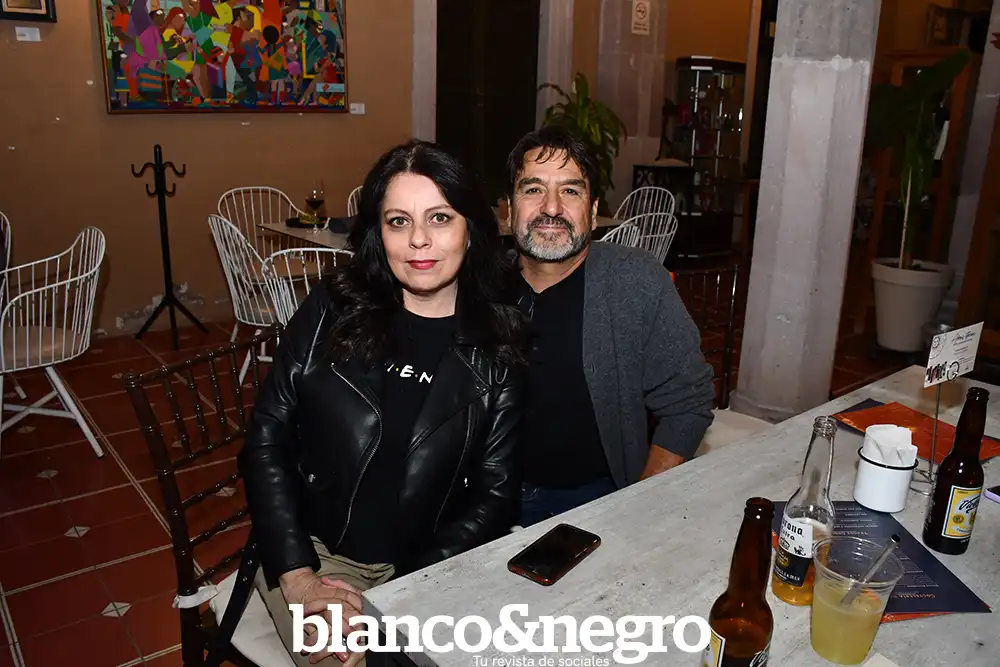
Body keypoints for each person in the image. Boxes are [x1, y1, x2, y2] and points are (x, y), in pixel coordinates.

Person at [238, 141, 527, 666]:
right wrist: (299, 579)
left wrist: (402, 597)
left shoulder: (498, 342)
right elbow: (266, 440)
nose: (419, 239)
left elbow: (495, 493)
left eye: (440, 217)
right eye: (398, 221)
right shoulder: (332, 309)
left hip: (429, 564)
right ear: (379, 232)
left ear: (471, 228)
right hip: (315, 554)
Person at [502, 126, 715, 527]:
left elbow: (688, 402)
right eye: (533, 189)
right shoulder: (480, 288)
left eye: (570, 190)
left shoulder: (636, 281)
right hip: (492, 498)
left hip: (599, 498)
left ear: (593, 210)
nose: (551, 207)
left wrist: (638, 505)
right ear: (509, 210)